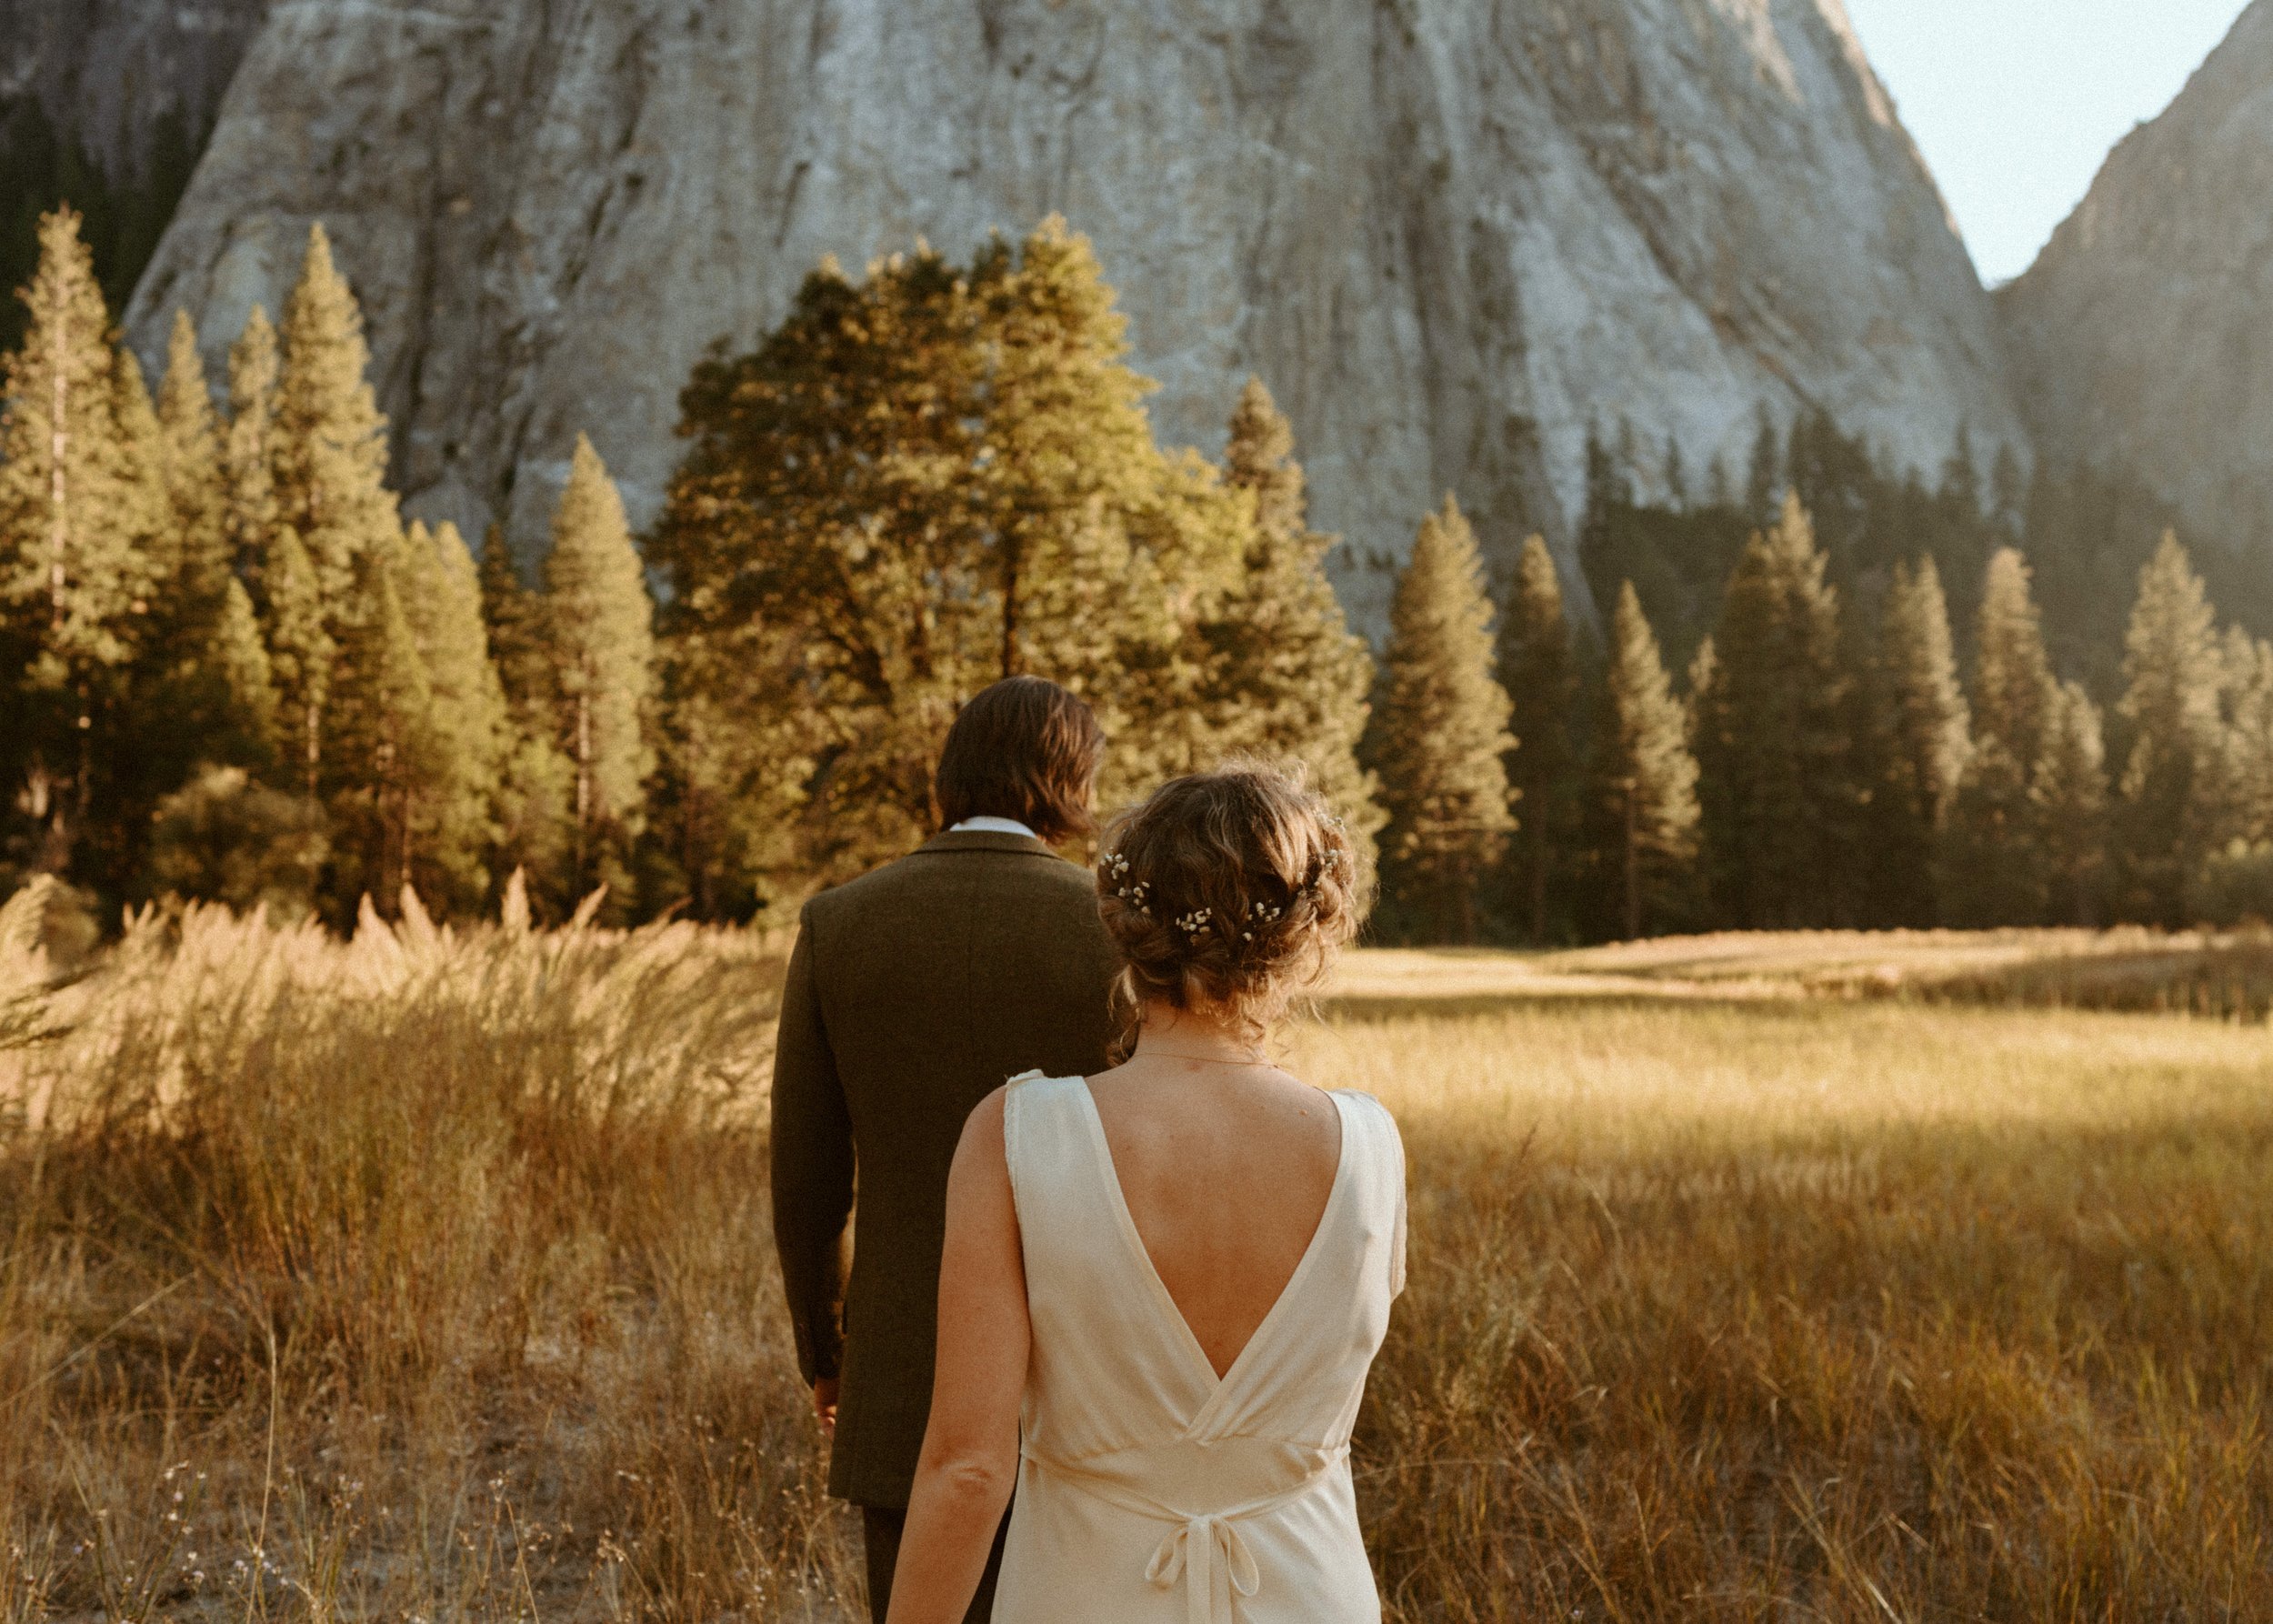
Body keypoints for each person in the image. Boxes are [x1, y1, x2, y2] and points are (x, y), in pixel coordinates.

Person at [884, 764, 1407, 1624]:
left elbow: (970, 1470)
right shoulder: (1371, 1146)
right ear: (1308, 938)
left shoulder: (1017, 1135)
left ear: (1127, 921)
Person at [770, 676, 1122, 1624]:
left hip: (903, 1375)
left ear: (951, 773)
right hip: (1085, 1374)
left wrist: (828, 1351)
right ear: (1070, 780)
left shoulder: (840, 925)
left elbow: (806, 1185)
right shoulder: (1117, 932)